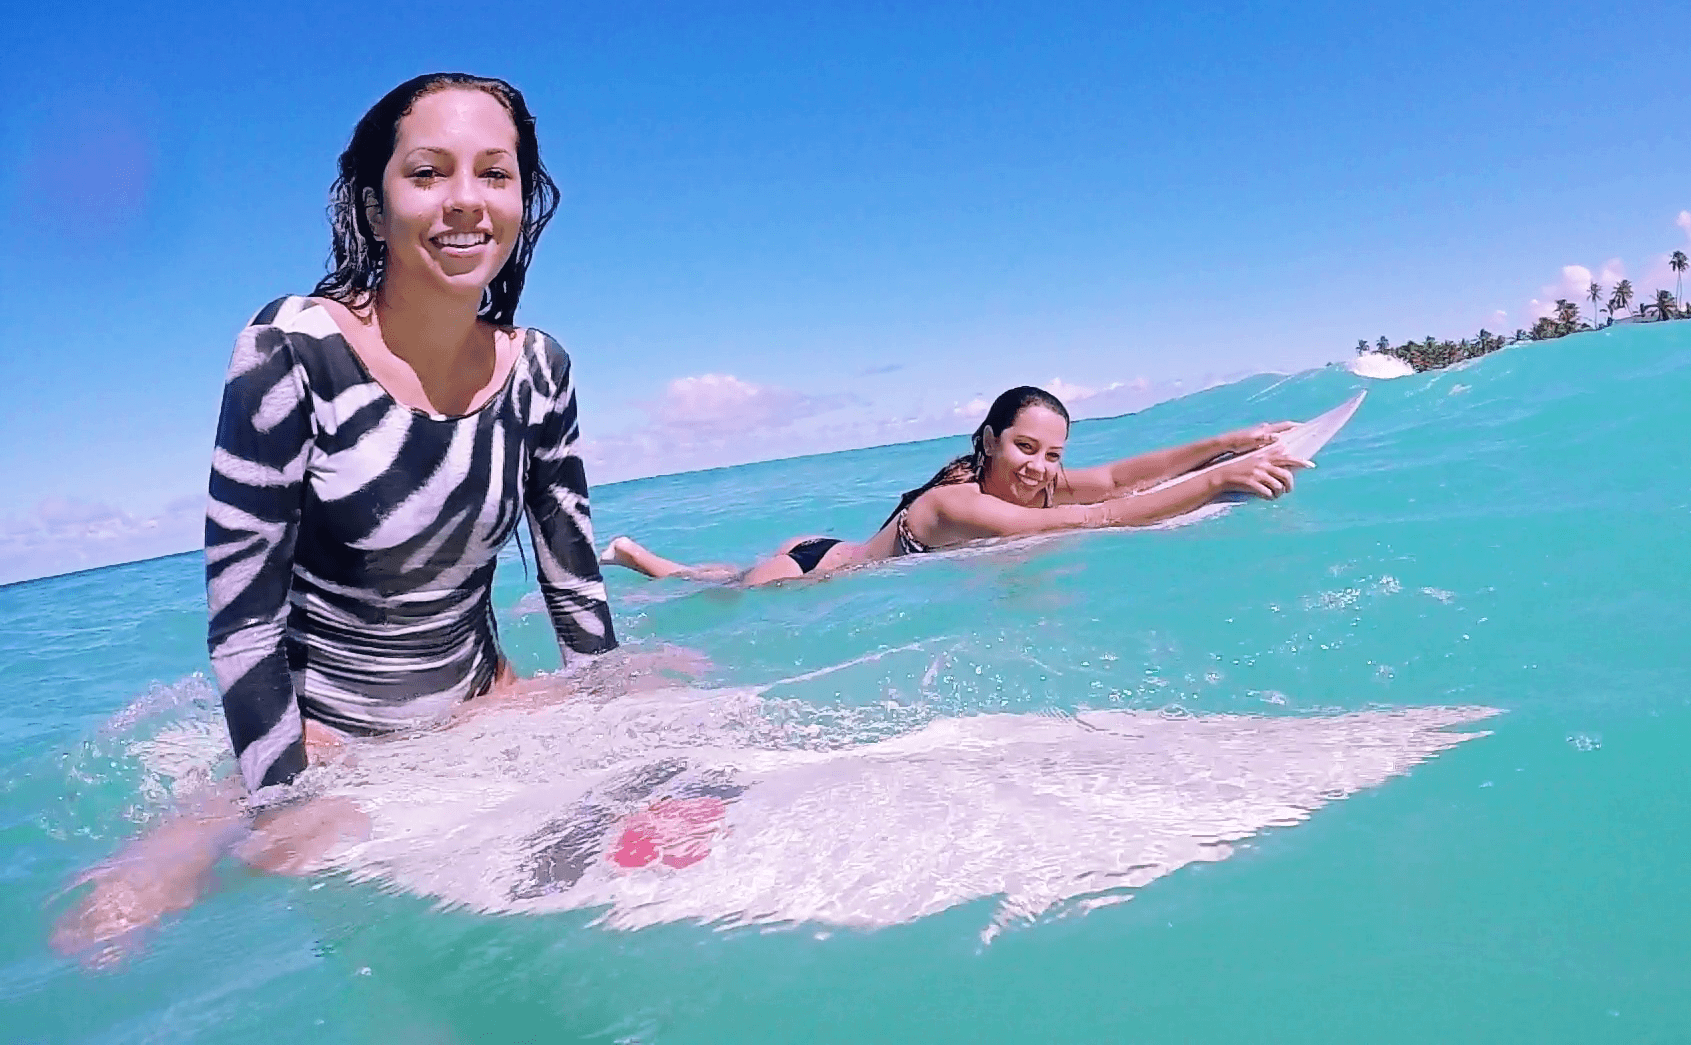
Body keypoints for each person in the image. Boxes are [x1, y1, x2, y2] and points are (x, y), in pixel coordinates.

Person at [53, 72, 617, 961]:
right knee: (101, 933)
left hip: (482, 713)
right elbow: (244, 620)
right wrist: (283, 799)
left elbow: (575, 588)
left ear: (523, 198)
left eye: (495, 174)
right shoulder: (293, 347)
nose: (466, 203)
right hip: (327, 744)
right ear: (374, 198)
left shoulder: (541, 368)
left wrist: (616, 710)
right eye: (428, 173)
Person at [603, 385, 1310, 587]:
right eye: (1024, 447)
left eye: (1052, 453)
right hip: (813, 570)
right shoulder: (957, 502)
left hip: (833, 546)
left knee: (716, 573)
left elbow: (1119, 479)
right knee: (712, 586)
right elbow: (1090, 520)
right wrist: (1218, 481)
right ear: (992, 440)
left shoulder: (1031, 480)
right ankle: (645, 561)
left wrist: (1229, 442)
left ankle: (644, 556)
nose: (1038, 466)